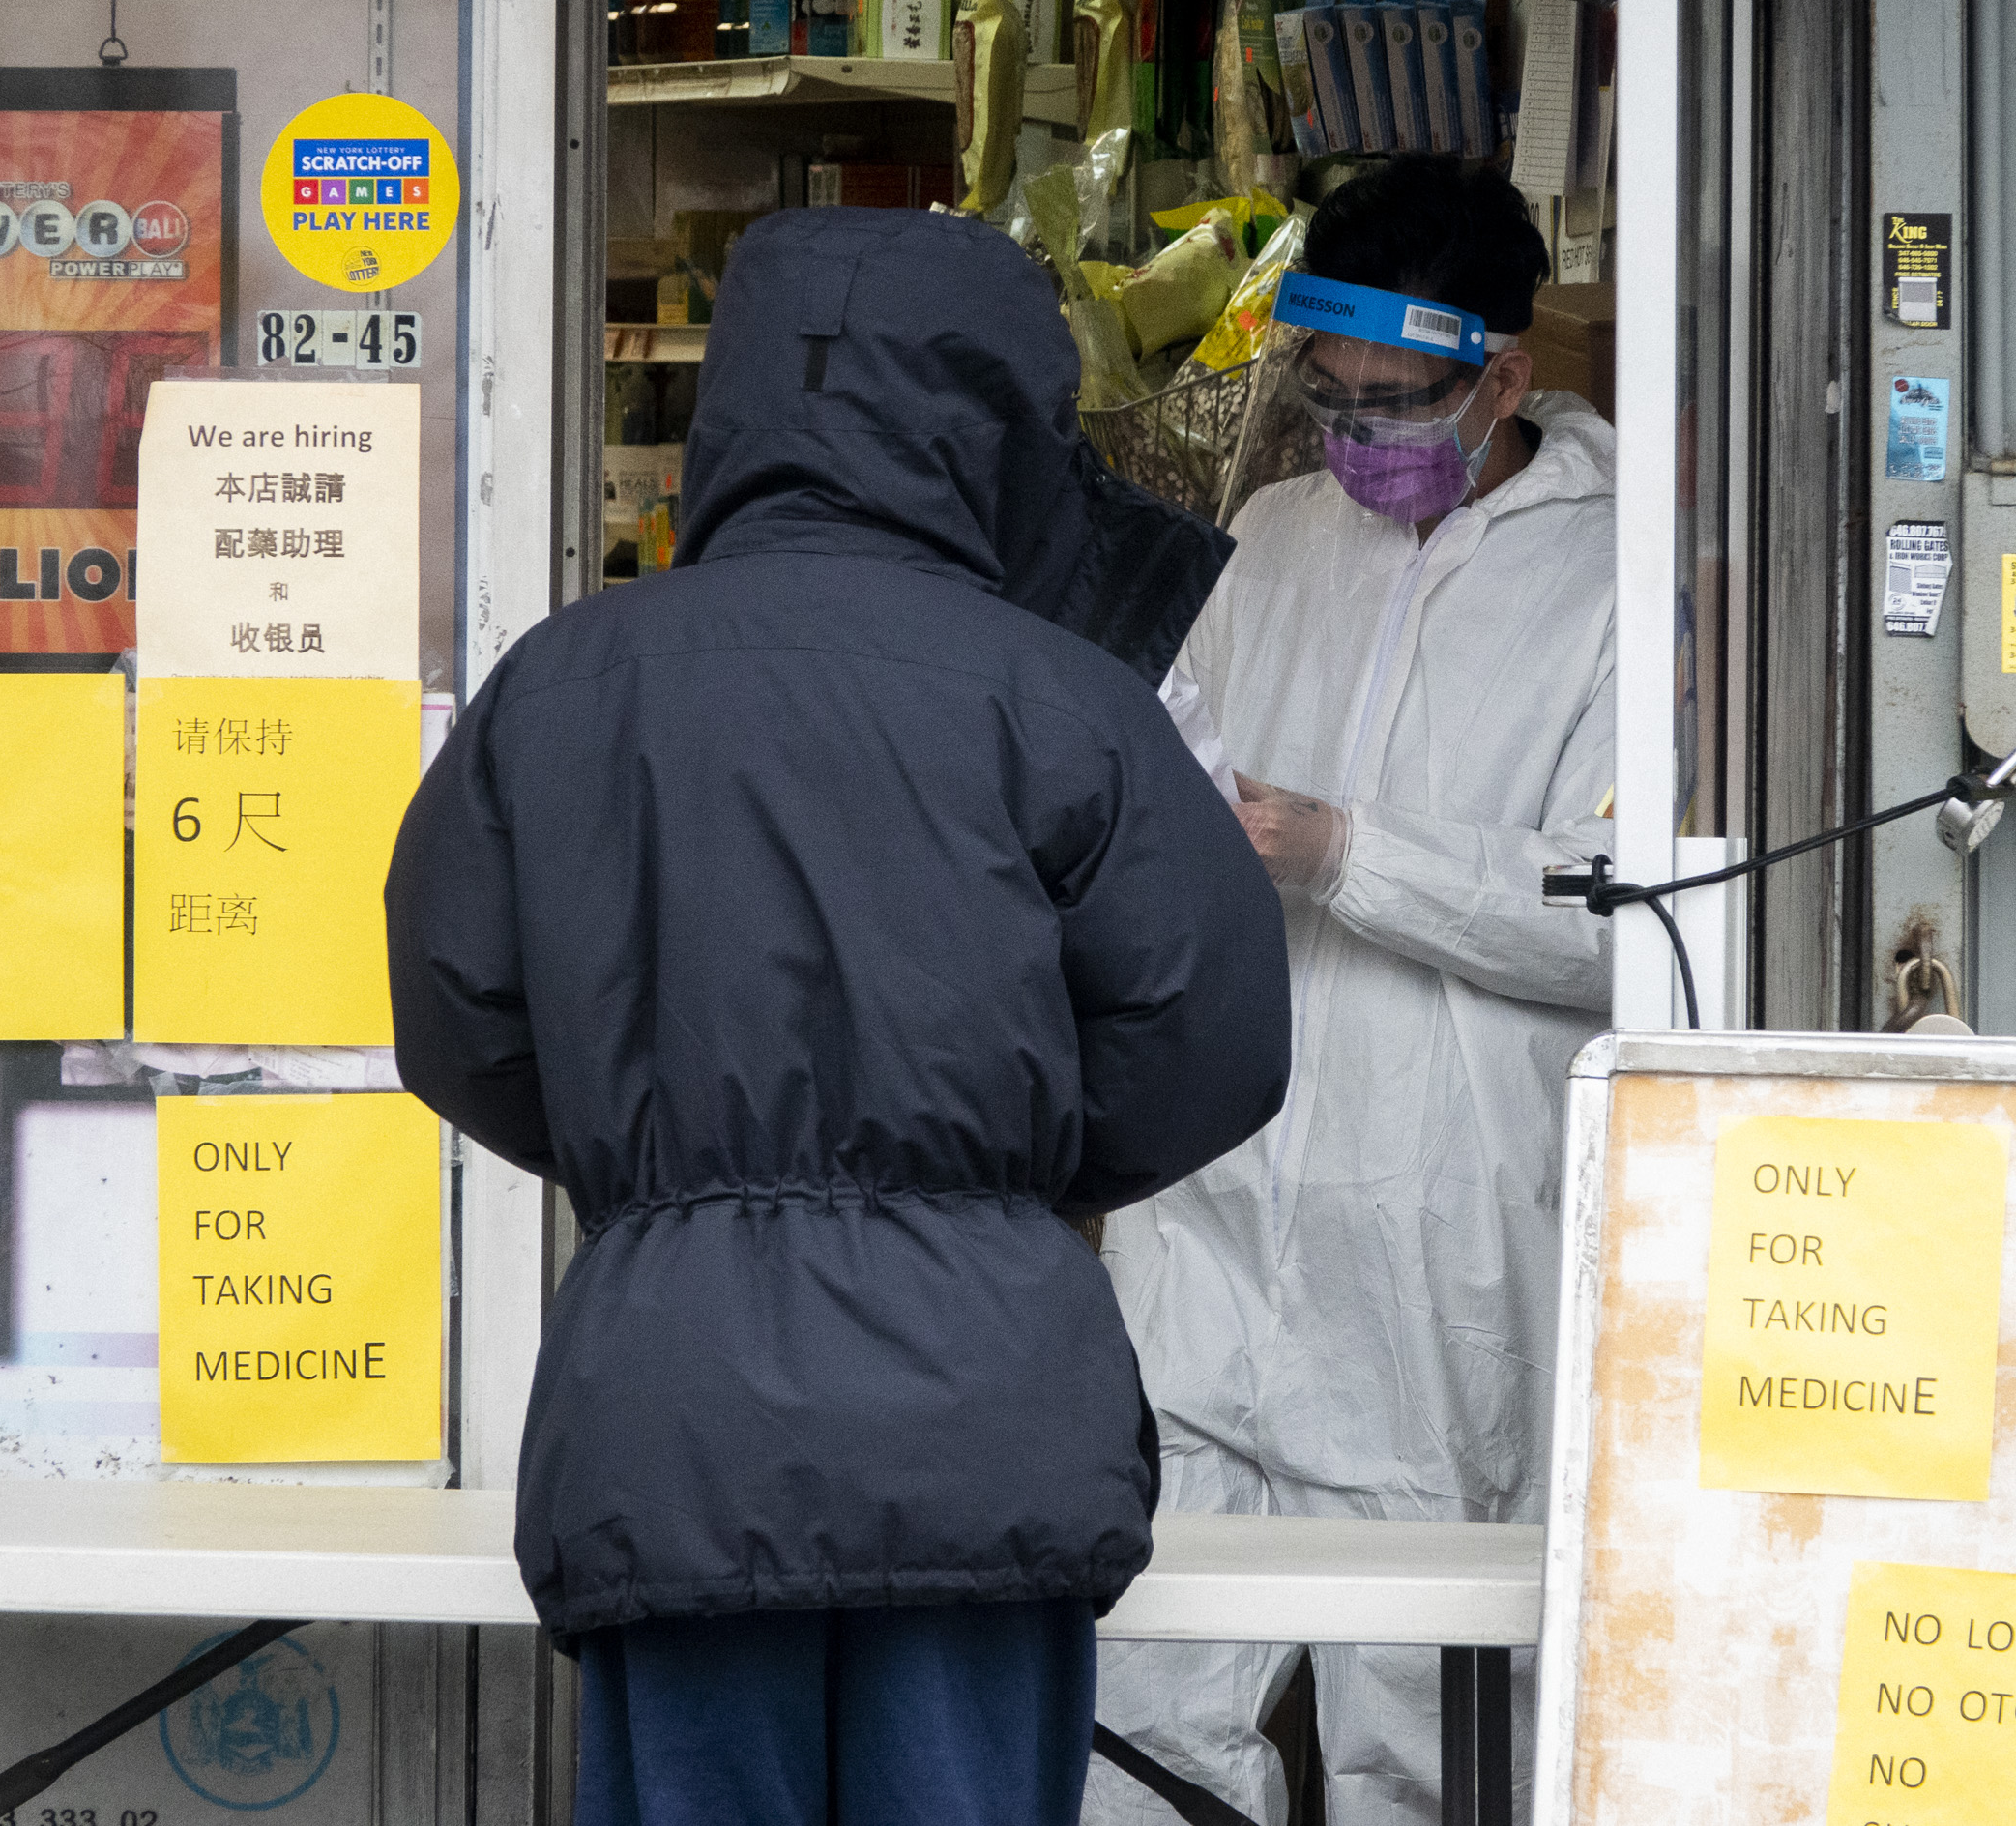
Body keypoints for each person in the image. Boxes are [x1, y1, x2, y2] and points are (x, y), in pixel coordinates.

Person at [386, 206, 1292, 1826]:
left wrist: (654, 1158)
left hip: (671, 1409)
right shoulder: (1067, 697)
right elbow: (1215, 1035)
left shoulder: (562, 685)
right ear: (1003, 424)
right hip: (984, 1405)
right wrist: (1005, 1182)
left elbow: (458, 1012)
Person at [1089, 157, 1617, 1826]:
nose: (1356, 434)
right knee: (1141, 1704)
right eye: (1328, 400)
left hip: (1440, 1257)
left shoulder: (1618, 582)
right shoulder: (1271, 537)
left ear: (1507, 377)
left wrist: (1343, 851)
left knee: (1422, 1739)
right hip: (1220, 1222)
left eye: (1398, 403)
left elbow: (1623, 919)